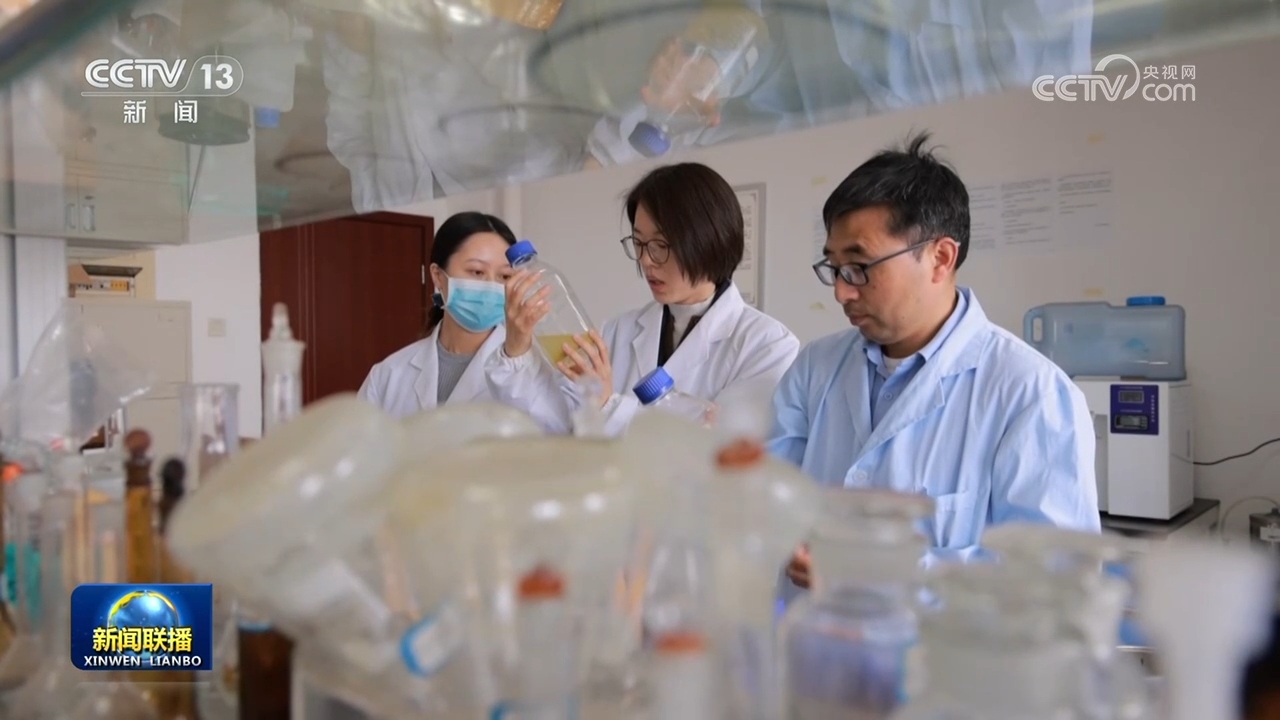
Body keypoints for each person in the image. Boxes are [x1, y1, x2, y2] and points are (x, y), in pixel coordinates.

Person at [771, 132, 1099, 584]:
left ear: (940, 258)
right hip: (814, 626)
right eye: (834, 268)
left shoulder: (1030, 393)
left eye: (859, 267)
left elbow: (1057, 576)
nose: (842, 292)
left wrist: (882, 570)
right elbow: (770, 497)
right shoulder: (815, 367)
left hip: (939, 634)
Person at [486, 162, 800, 435]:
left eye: (661, 245)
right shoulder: (618, 331)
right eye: (638, 243)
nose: (646, 260)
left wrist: (608, 406)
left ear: (709, 241)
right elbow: (559, 424)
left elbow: (719, 449)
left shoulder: (768, 345)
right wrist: (517, 347)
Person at [358, 212, 517, 418]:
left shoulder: (528, 371)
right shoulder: (389, 374)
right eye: (477, 272)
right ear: (438, 276)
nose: (491, 286)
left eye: (504, 276)